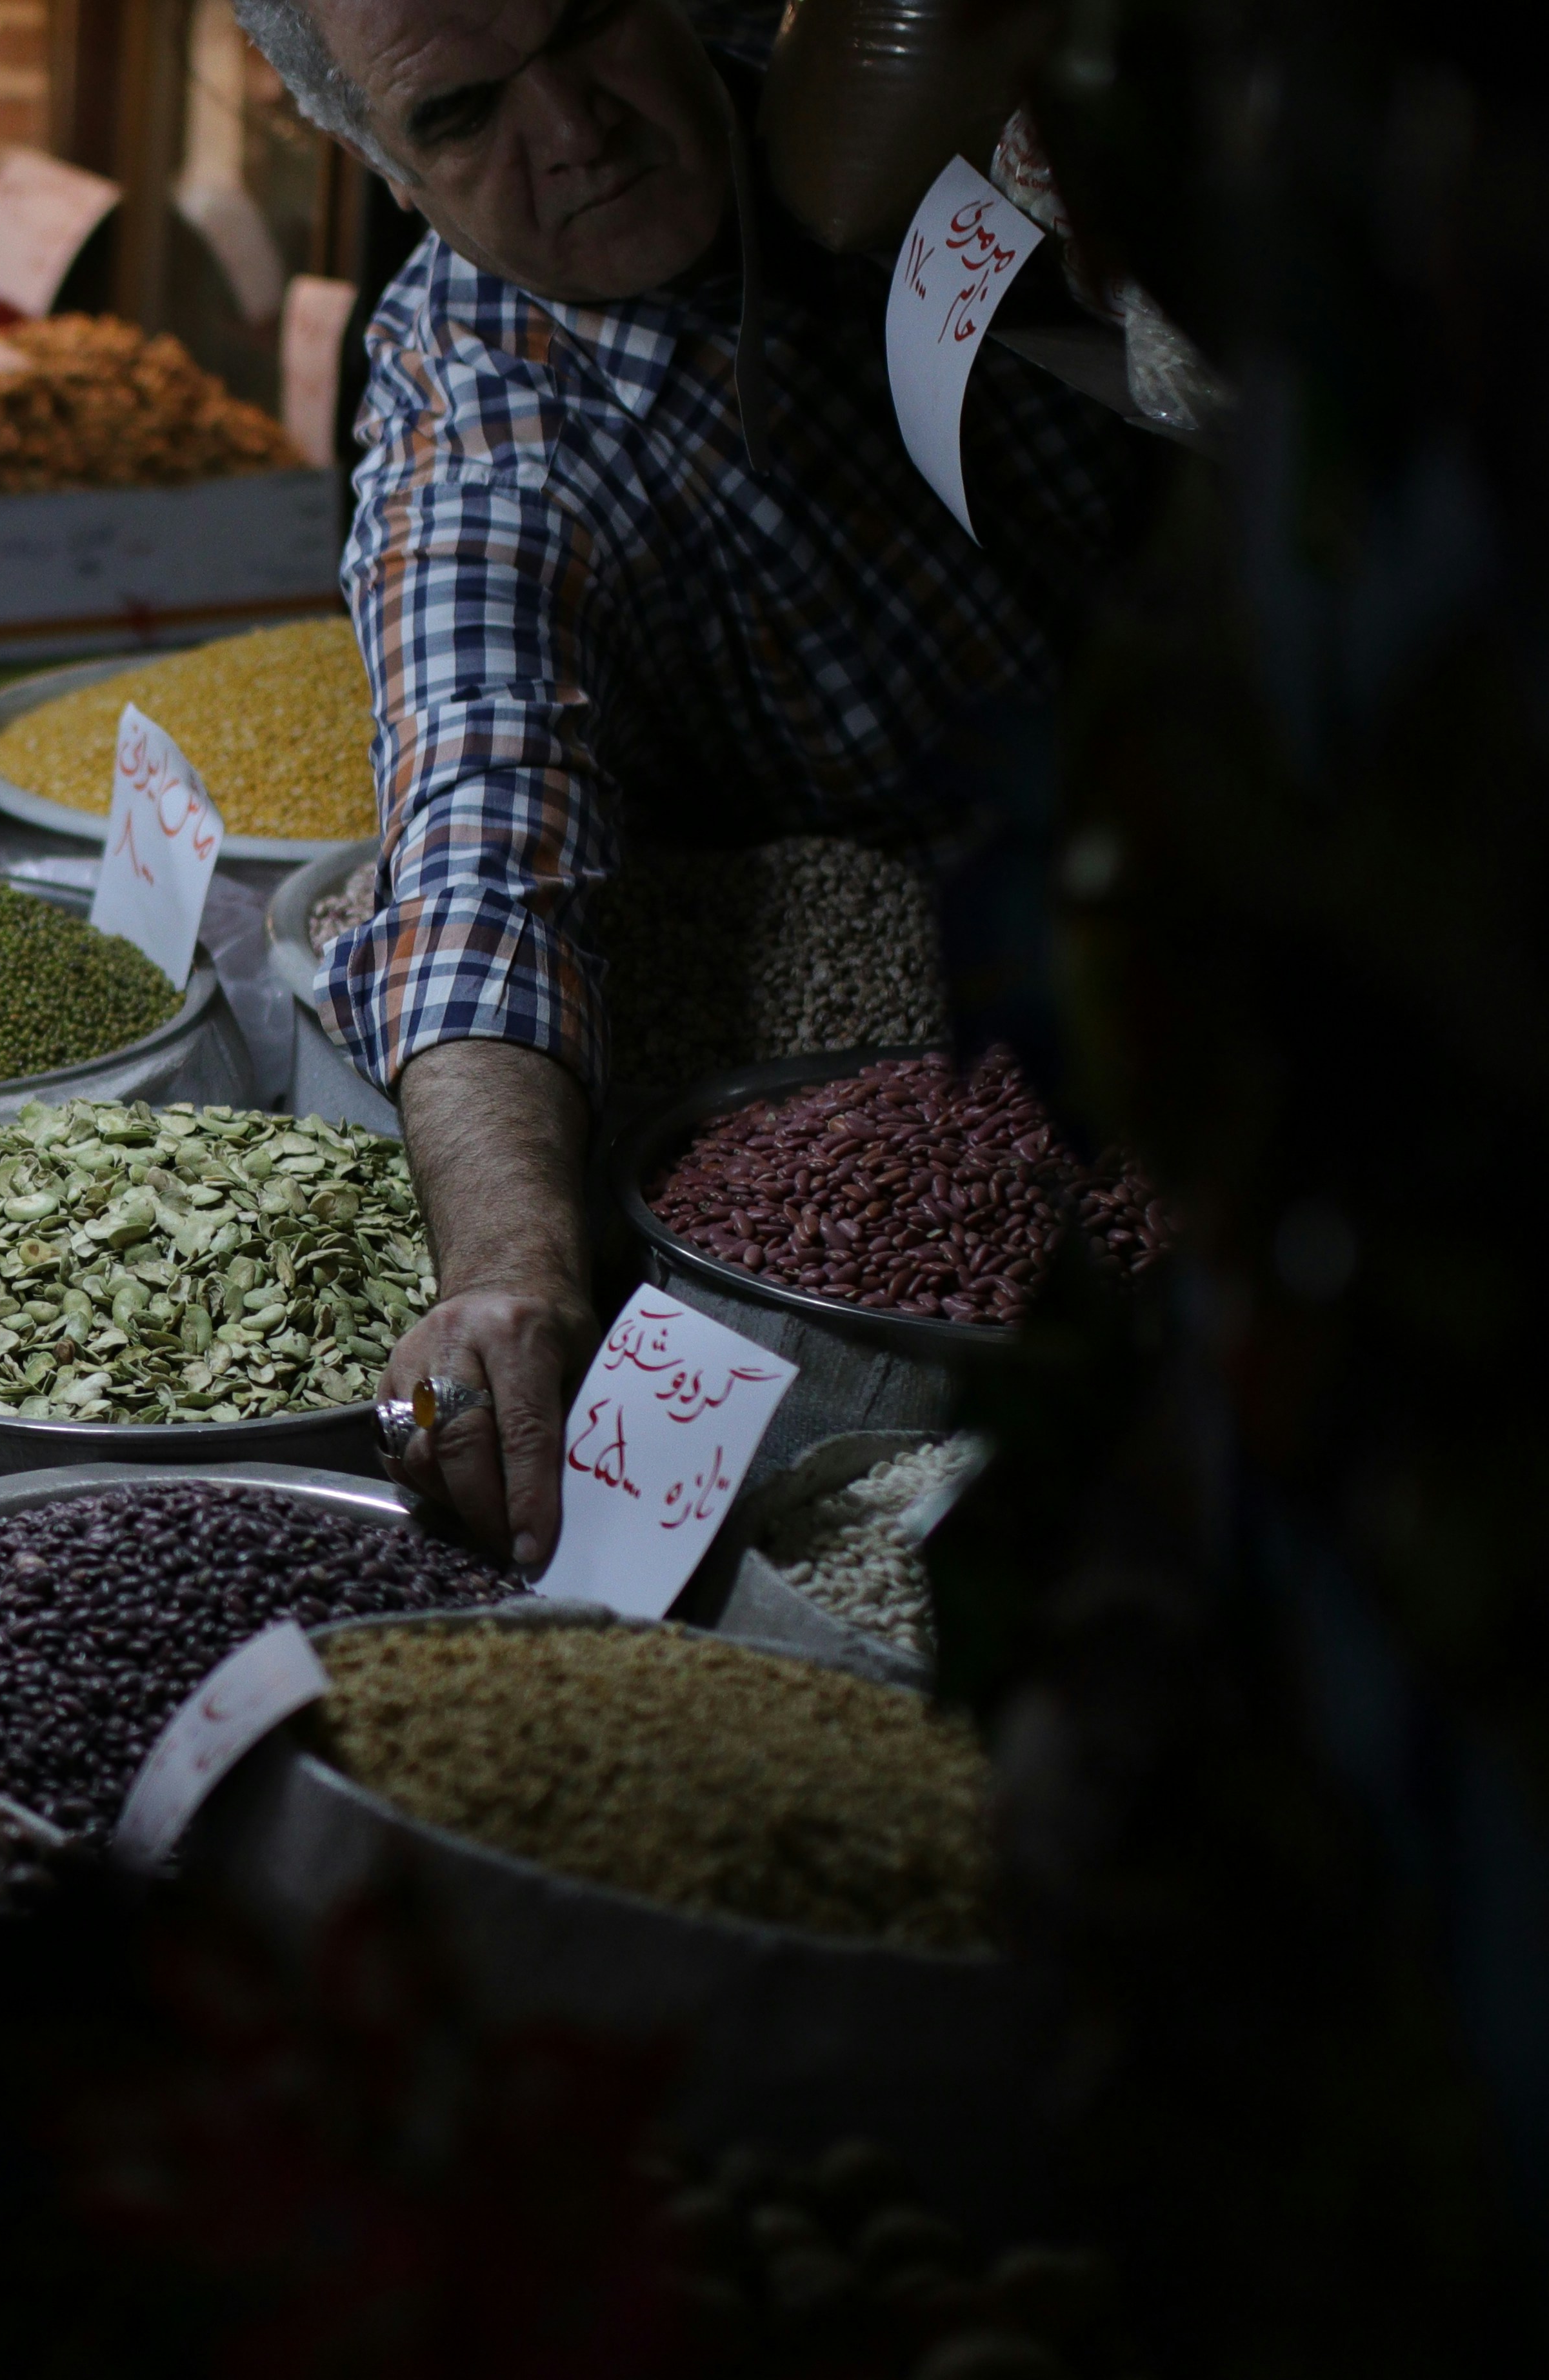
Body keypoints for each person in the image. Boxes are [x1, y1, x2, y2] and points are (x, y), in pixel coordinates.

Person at [227, 0, 1144, 1564]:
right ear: (385, 166)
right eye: (462, 116)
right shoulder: (482, 415)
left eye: (587, 24)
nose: (574, 129)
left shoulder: (876, 74)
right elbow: (478, 842)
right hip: (986, 998)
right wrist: (511, 1270)